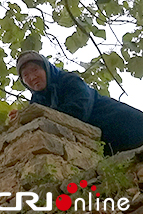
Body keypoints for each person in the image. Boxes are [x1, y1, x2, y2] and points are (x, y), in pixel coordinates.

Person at [10, 50, 143, 155]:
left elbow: (78, 111)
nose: (32, 77)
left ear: (46, 68)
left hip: (128, 126)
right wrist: (22, 117)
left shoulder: (69, 81)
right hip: (109, 146)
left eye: (35, 70)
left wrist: (33, 114)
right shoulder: (37, 101)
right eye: (25, 75)